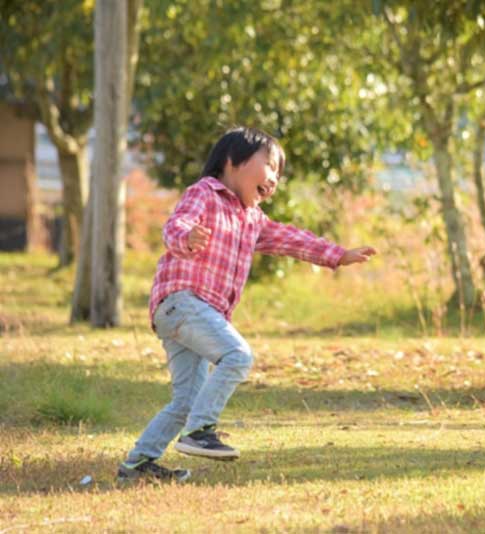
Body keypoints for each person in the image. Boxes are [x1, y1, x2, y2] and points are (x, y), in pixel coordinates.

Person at [117, 127, 376, 482]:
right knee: (237, 355)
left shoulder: (252, 219)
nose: (275, 178)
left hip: (191, 316)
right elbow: (176, 224)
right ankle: (199, 432)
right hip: (182, 302)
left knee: (187, 400)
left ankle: (137, 464)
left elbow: (290, 239)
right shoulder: (205, 193)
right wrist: (187, 238)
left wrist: (338, 255)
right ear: (232, 161)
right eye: (270, 165)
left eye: (279, 174)